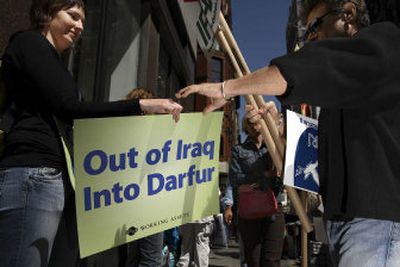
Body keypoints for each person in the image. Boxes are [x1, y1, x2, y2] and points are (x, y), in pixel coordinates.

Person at [176, 0, 400, 266]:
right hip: (343, 222)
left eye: (316, 25)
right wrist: (277, 129)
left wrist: (227, 88)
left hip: (378, 223)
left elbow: (311, 67)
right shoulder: (342, 95)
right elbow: (309, 162)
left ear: (348, 14)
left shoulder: (384, 42)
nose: (311, 37)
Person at [0, 1, 182, 267]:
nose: (80, 26)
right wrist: (142, 105)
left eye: (83, 20)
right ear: (48, 12)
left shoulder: (54, 60)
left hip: (51, 177)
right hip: (33, 174)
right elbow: (71, 108)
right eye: (72, 16)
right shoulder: (29, 43)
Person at [223, 116, 285, 267]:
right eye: (250, 123)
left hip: (274, 206)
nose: (255, 125)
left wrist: (251, 182)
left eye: (258, 121)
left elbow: (282, 175)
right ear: (247, 127)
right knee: (253, 260)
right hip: (250, 208)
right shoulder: (239, 149)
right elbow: (236, 177)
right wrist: (265, 176)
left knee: (272, 260)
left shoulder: (274, 147)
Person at [123, 88, 164, 267]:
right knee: (150, 259)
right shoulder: (138, 136)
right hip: (143, 204)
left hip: (139, 204)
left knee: (138, 257)